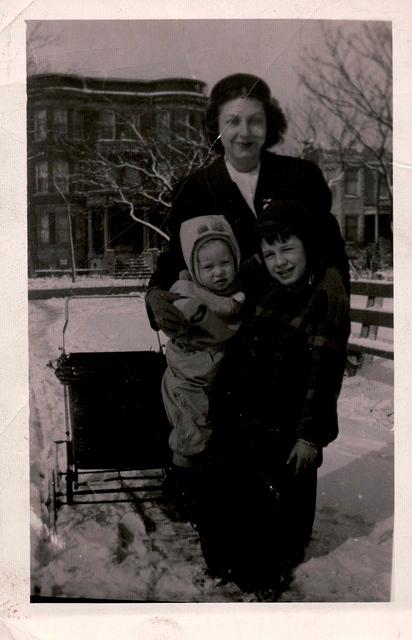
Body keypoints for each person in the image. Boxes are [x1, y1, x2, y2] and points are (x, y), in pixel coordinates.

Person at [196, 200, 350, 594]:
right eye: (269, 252)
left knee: (270, 519)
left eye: (288, 249)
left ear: (309, 246)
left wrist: (311, 437)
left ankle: (262, 575)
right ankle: (226, 563)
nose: (279, 261)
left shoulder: (322, 297)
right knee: (223, 493)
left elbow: (323, 375)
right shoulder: (266, 287)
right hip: (247, 418)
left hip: (286, 431)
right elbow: (218, 268)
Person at [146, 72, 349, 337]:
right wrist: (154, 296)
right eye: (232, 121)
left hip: (297, 325)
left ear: (269, 125)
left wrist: (334, 274)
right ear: (216, 127)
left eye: (255, 121)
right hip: (229, 335)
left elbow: (328, 241)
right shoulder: (193, 189)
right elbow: (177, 255)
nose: (244, 133)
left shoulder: (301, 177)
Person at [160, 215, 245, 513]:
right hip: (192, 368)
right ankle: (179, 485)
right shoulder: (190, 292)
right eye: (207, 267)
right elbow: (180, 308)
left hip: (213, 364)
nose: (219, 272)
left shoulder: (237, 293)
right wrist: (185, 314)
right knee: (193, 423)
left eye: (225, 263)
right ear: (195, 270)